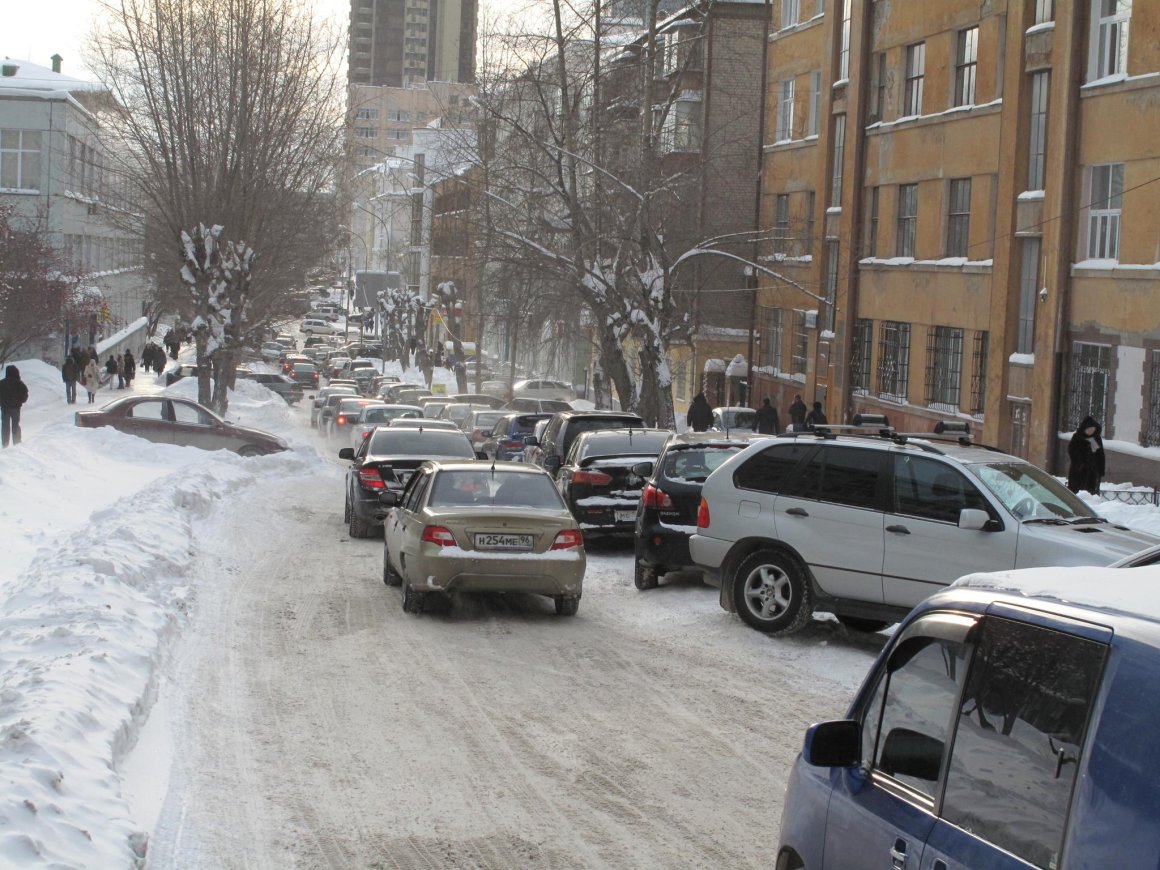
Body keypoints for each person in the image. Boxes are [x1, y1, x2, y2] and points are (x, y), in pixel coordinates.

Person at [1067, 415, 1105, 494]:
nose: (1091, 431)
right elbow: (1072, 451)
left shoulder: (1096, 438)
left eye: (1092, 429)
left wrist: (1100, 469)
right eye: (1089, 429)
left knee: (1090, 493)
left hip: (1092, 472)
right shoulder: (1077, 437)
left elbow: (1100, 454)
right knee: (1076, 493)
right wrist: (1080, 463)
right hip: (1078, 471)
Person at [0, 365, 29, 447]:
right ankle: (16, 442)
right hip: (16, 408)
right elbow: (25, 394)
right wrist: (21, 401)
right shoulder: (19, 383)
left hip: (5, 408)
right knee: (15, 425)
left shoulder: (1, 383)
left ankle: (5, 443)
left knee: (5, 425)